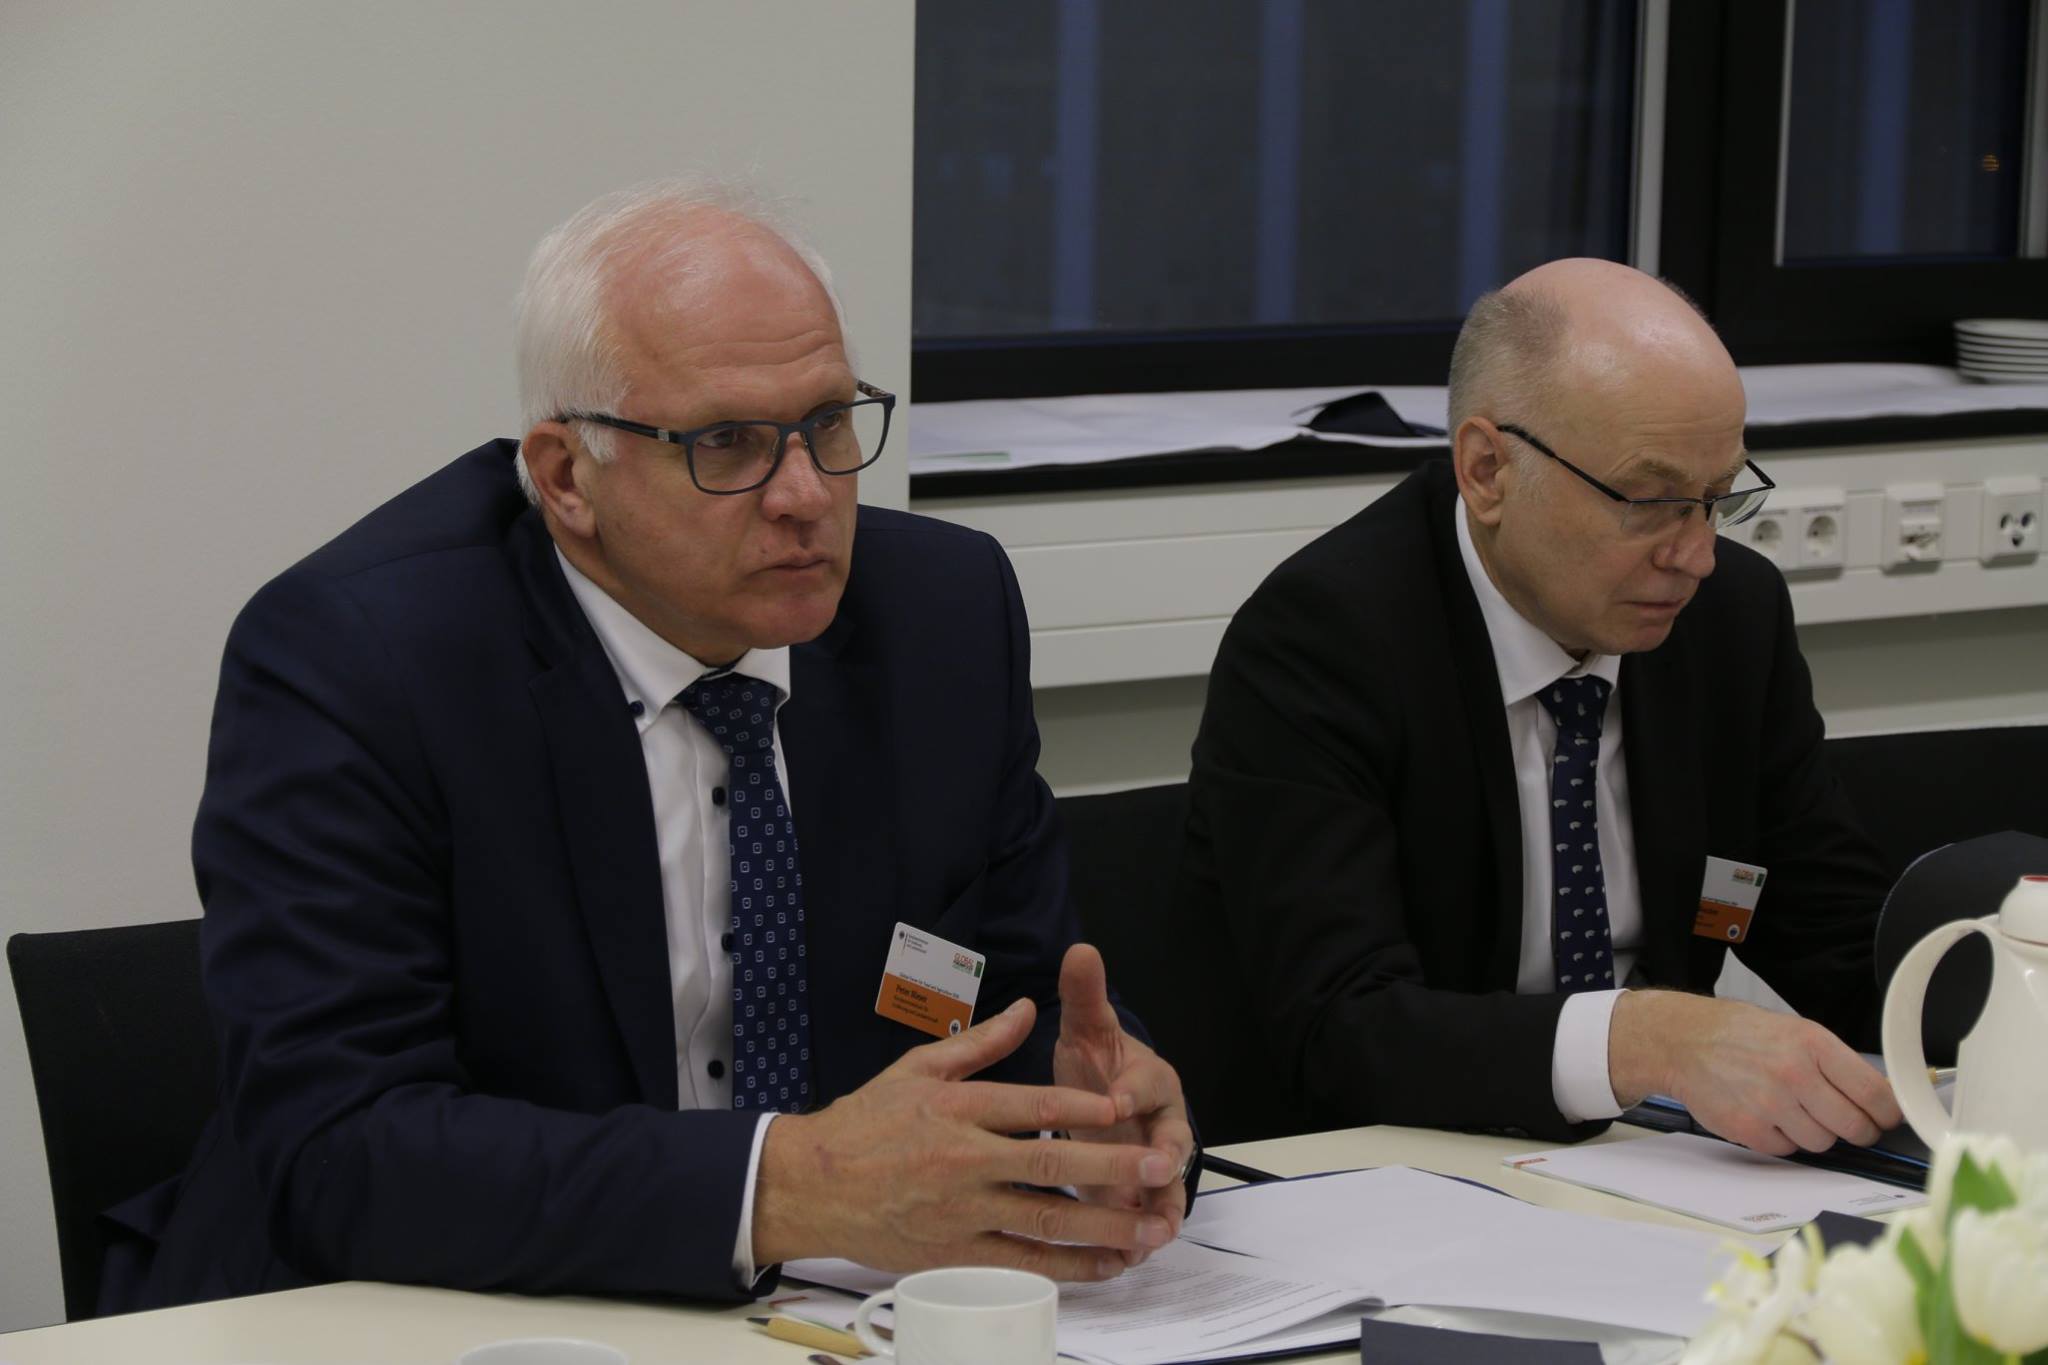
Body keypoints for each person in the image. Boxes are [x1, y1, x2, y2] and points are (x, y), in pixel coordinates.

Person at [106, 181, 1193, 1312]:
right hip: (431, 1309)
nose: (805, 494)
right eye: (728, 443)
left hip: (827, 1309)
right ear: (566, 477)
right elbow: (340, 1146)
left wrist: (1097, 1119)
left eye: (828, 423)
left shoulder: (940, 616)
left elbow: (1010, 998)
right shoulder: (360, 661)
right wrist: (780, 1186)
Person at [1177, 258, 1903, 1154]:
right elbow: (1341, 1025)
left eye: (1719, 499)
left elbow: (1836, 936)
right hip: (1385, 1166)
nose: (1697, 555)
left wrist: (1998, 975)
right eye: (1652, 501)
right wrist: (1639, 1039)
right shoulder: (1323, 641)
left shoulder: (1729, 620)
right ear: (1487, 469)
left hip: (1653, 1163)